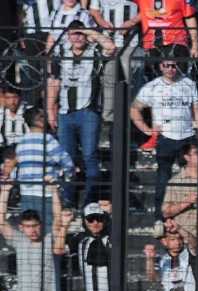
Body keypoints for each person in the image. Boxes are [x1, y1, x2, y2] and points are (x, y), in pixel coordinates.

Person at [46, 22, 117, 207]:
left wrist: (89, 31)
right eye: (73, 34)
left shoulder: (95, 52)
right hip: (65, 113)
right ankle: (68, 200)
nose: (77, 37)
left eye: (80, 34)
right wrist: (50, 110)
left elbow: (111, 47)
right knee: (66, 158)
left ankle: (90, 200)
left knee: (89, 156)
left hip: (88, 113)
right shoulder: (61, 53)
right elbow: (54, 83)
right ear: (68, 36)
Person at [130, 50, 198, 220]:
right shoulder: (153, 86)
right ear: (161, 67)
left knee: (191, 175)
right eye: (167, 65)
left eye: (174, 65)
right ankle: (160, 217)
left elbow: (197, 111)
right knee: (163, 178)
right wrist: (147, 130)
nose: (171, 69)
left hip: (187, 135)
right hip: (165, 137)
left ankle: (190, 215)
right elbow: (134, 109)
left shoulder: (188, 83)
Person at [0, 180, 67, 291]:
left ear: (40, 225)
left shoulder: (49, 239)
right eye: (28, 226)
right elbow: (1, 221)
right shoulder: (19, 241)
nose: (33, 230)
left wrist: (54, 190)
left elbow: (58, 219)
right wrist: (5, 190)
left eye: (35, 225)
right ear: (21, 228)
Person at [15, 107, 76, 229]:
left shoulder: (21, 142)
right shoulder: (48, 140)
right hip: (46, 193)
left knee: (30, 227)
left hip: (26, 192)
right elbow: (66, 162)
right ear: (40, 121)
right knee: (49, 229)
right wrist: (68, 176)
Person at [89, 0, 141, 123]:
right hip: (109, 42)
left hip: (130, 42)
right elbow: (94, 10)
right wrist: (103, 23)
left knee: (130, 80)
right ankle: (109, 119)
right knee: (109, 79)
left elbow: (146, 8)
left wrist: (131, 22)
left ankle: (132, 117)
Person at [64, 201, 113, 291]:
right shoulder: (79, 240)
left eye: (99, 218)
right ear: (84, 221)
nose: (95, 222)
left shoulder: (112, 240)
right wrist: (65, 224)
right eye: (91, 219)